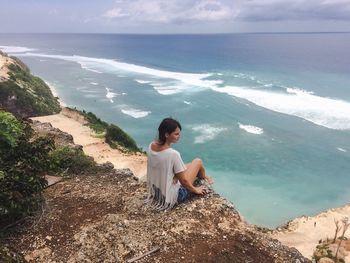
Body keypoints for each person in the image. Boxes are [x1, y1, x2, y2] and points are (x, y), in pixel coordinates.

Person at [146, 117, 213, 210]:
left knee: (188, 165)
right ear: (166, 134)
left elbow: (163, 167)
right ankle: (205, 179)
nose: (179, 136)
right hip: (173, 197)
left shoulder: (151, 146)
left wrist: (176, 176)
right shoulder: (173, 154)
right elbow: (184, 182)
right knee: (198, 162)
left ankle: (205, 177)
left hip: (156, 193)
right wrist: (195, 189)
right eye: (176, 134)